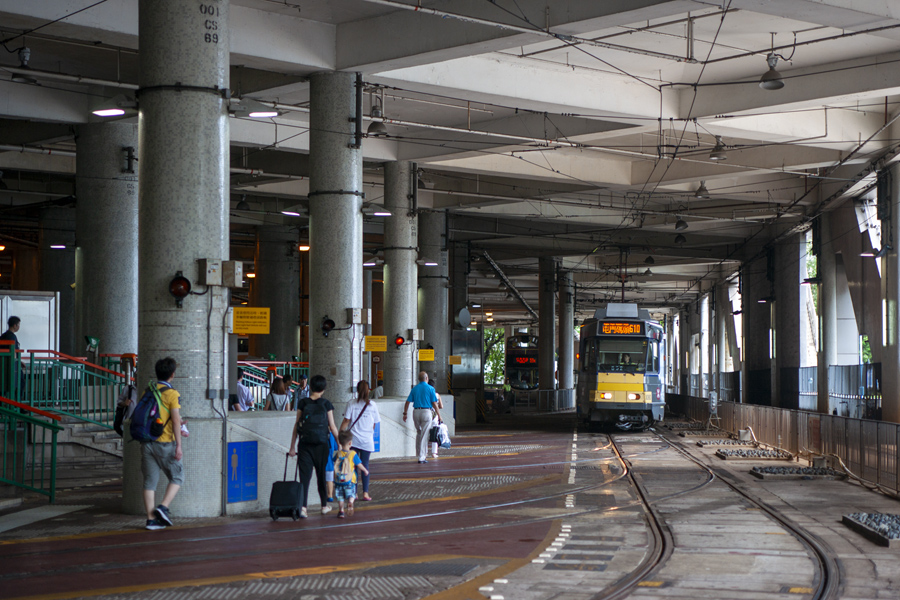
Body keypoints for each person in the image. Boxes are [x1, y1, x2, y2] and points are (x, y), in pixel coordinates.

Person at [288, 374, 340, 517]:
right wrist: (339, 443)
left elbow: (297, 425)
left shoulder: (303, 403)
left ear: (311, 386)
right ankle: (324, 505)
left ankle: (303, 508)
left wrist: (292, 446)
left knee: (304, 478)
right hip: (322, 445)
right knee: (321, 475)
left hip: (304, 445)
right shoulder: (326, 404)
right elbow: (333, 426)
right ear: (323, 388)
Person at [142, 357, 183, 531]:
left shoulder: (148, 391)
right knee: (178, 477)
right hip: (165, 443)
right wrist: (179, 445)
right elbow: (174, 421)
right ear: (172, 374)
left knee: (149, 482)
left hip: (147, 442)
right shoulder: (172, 394)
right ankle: (163, 506)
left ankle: (151, 520)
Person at [341, 380, 381, 501]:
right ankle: (365, 493)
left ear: (357, 391)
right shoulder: (373, 405)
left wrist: (339, 435)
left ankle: (354, 493)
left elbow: (346, 421)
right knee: (365, 465)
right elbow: (375, 423)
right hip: (367, 440)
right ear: (368, 390)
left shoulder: (351, 403)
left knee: (353, 466)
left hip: (353, 440)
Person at [403, 371, 441, 464]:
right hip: (426, 412)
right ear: (427, 378)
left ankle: (419, 453)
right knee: (425, 434)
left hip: (415, 412)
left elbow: (407, 402)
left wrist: (405, 413)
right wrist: (439, 415)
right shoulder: (430, 388)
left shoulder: (415, 389)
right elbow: (434, 404)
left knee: (419, 433)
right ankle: (421, 457)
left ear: (418, 379)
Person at [332, 429, 368, 518]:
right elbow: (359, 465)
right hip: (350, 480)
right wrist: (365, 470)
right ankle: (351, 503)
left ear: (340, 443)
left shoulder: (338, 454)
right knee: (351, 494)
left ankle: (341, 511)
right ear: (350, 443)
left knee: (340, 497)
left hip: (339, 480)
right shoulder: (353, 454)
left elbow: (333, 461)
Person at [0, 316, 24, 398]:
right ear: (15, 325)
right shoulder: (12, 337)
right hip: (13, 366)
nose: (19, 327)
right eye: (18, 325)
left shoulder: (3, 336)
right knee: (20, 384)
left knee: (3, 386)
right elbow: (13, 352)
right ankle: (18, 406)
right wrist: (17, 362)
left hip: (3, 365)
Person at [428, 379, 444, 459]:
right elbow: (441, 406)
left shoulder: (426, 394)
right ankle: (434, 453)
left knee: (425, 433)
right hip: (435, 416)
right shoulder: (437, 395)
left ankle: (424, 452)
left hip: (426, 414)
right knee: (435, 433)